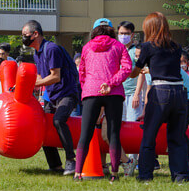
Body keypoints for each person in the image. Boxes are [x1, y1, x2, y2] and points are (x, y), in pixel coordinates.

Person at [129, 12, 189, 183]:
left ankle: (146, 176)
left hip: (160, 91)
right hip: (179, 92)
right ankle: (180, 177)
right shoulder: (176, 47)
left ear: (150, 27)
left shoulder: (148, 46)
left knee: (149, 136)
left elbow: (136, 72)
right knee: (177, 138)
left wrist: (129, 71)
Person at [73, 19, 132, 182]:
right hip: (114, 93)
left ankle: (78, 174)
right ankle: (114, 174)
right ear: (111, 30)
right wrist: (111, 83)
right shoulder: (119, 46)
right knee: (113, 134)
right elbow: (127, 68)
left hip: (91, 92)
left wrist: (88, 89)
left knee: (85, 133)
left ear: (94, 31)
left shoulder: (86, 47)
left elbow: (82, 74)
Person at [22, 20, 79, 175]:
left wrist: (35, 83)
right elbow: (41, 76)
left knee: (59, 120)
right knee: (44, 127)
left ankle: (71, 161)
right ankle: (55, 165)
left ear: (35, 34)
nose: (23, 38)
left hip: (67, 93)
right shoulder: (36, 53)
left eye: (25, 35)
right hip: (52, 96)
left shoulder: (51, 49)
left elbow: (55, 76)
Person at [117, 21, 146, 166]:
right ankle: (123, 159)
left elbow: (141, 73)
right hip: (119, 94)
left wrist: (136, 94)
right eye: (121, 33)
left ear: (132, 35)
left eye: (126, 34)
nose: (123, 36)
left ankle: (134, 159)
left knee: (133, 125)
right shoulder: (116, 49)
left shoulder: (137, 51)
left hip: (133, 95)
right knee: (120, 126)